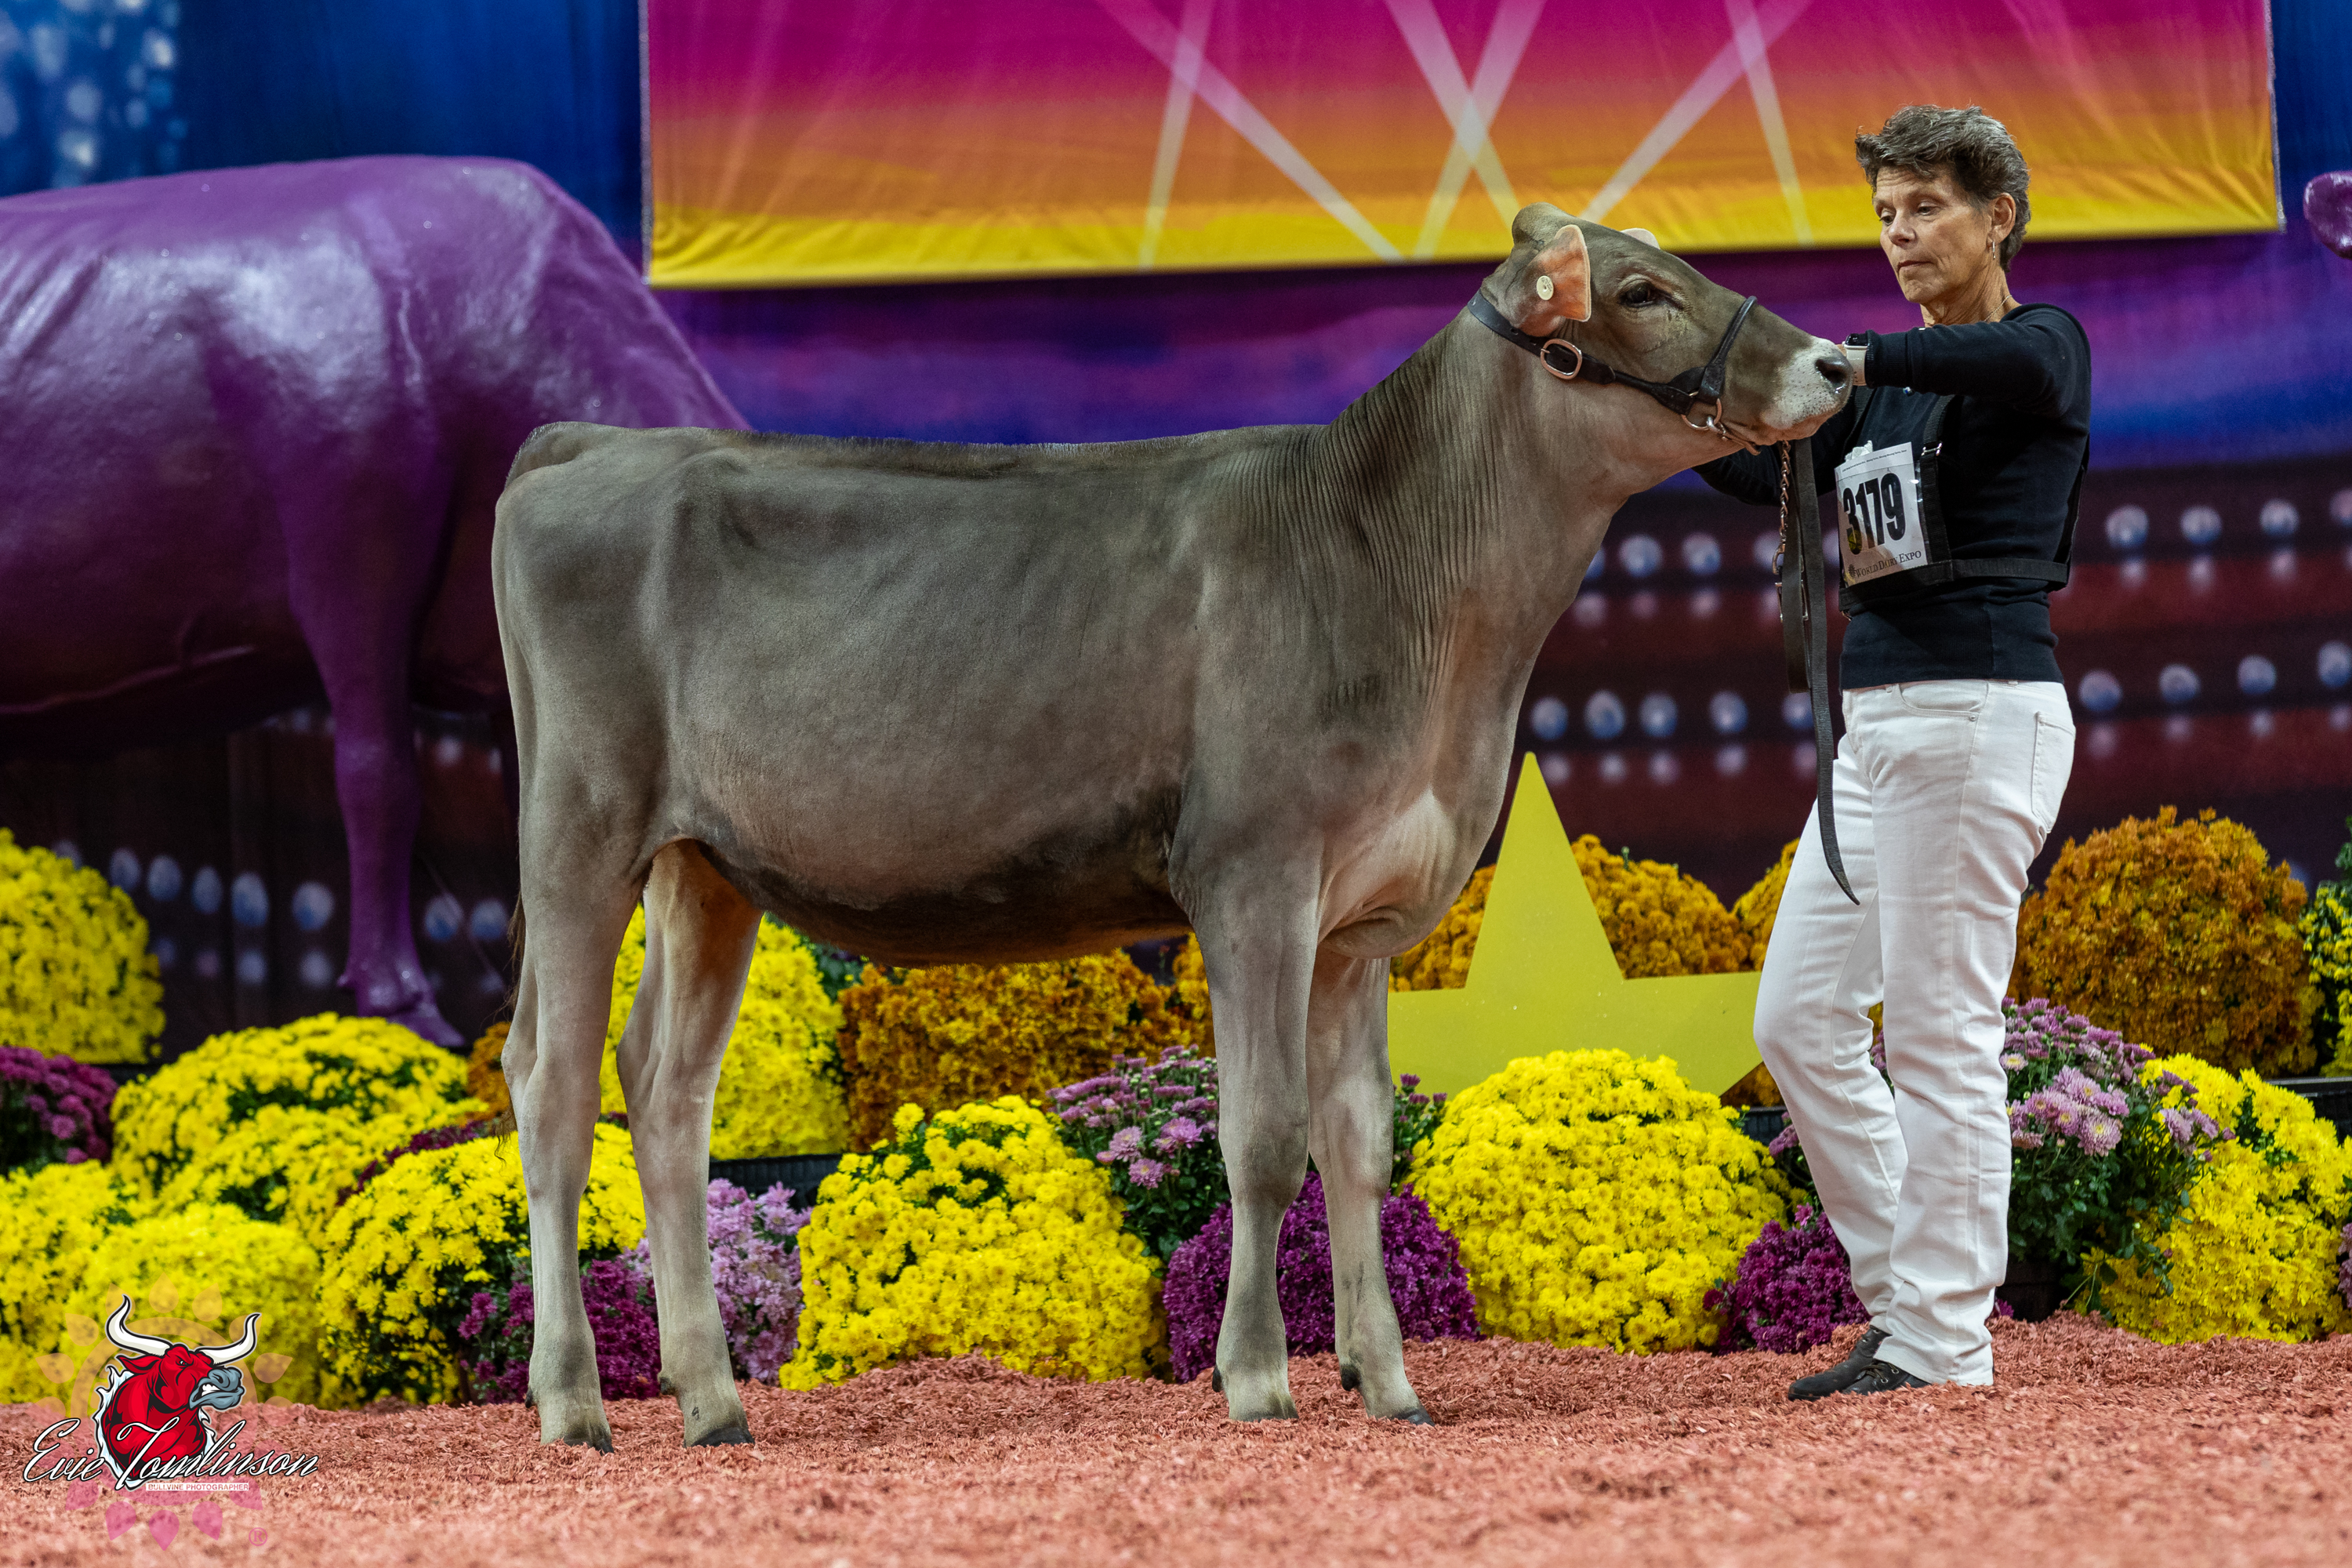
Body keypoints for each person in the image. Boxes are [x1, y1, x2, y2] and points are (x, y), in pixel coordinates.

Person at [1698, 105, 2089, 1396]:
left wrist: (1852, 360)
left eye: (1926, 208)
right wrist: (1681, 397)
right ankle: (1908, 1306)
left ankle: (1943, 1341)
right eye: (1885, 214)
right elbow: (1765, 466)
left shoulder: (2043, 345)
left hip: (1978, 713)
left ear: (1998, 217)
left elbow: (2005, 364)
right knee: (1799, 1021)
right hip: (1878, 734)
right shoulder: (1881, 390)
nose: (1901, 234)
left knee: (1938, 1034)